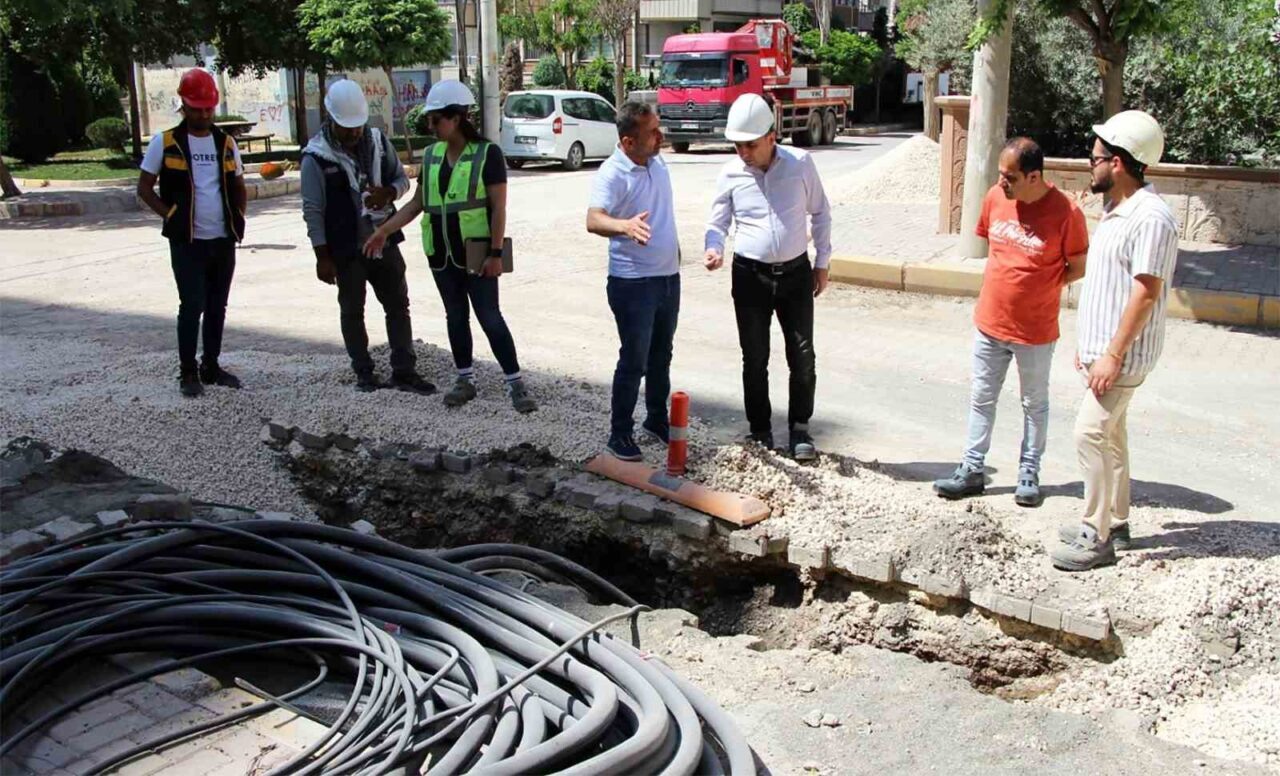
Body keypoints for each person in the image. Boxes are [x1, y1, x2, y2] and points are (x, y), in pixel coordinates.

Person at [1052, 110, 1178, 572]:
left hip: (1123, 358)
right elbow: (1109, 286)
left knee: (1088, 433)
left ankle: (1096, 535)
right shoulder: (1116, 209)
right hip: (1105, 354)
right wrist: (1090, 348)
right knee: (1112, 436)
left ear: (1118, 163)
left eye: (1096, 158)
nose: (1091, 164)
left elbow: (1145, 293)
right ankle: (1116, 521)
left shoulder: (1151, 218)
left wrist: (1110, 354)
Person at [933, 137, 1089, 505]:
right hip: (990, 323)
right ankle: (972, 469)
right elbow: (995, 248)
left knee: (1034, 403)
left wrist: (1042, 286)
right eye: (1000, 174)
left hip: (1035, 331)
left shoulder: (1066, 213)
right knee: (982, 397)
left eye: (1010, 177)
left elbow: (1078, 266)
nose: (1001, 182)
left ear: (1034, 177)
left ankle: (1029, 473)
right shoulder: (995, 198)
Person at [366, 80, 535, 413]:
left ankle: (515, 383)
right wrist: (384, 230)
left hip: (478, 252)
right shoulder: (431, 156)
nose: (431, 126)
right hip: (441, 254)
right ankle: (464, 379)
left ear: (456, 118)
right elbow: (418, 204)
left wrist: (496, 253)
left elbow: (499, 208)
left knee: (489, 316)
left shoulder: (487, 154)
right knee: (455, 316)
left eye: (436, 119)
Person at [703, 94, 832, 461]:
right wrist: (714, 247)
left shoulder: (800, 164)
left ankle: (800, 429)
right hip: (750, 276)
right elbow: (717, 222)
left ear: (771, 137)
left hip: (795, 275)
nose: (743, 152)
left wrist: (822, 263)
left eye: (751, 145)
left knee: (802, 356)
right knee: (755, 357)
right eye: (738, 145)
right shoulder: (730, 174)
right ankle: (760, 430)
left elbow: (821, 213)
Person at [300, 79, 434, 394]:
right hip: (346, 249)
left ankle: (404, 371)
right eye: (347, 128)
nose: (354, 134)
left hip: (384, 241)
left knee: (398, 305)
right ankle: (364, 372)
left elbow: (402, 180)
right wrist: (322, 256)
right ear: (331, 119)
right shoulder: (316, 157)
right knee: (352, 310)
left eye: (358, 127)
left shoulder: (378, 143)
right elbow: (313, 211)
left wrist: (389, 192)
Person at [136, 69, 246, 397]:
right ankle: (187, 371)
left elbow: (239, 184)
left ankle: (211, 365)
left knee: (217, 305)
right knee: (191, 304)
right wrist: (170, 215)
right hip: (187, 241)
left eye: (208, 108)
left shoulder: (226, 143)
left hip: (222, 239)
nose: (203, 114)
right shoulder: (165, 142)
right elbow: (144, 188)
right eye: (197, 109)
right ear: (184, 106)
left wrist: (239, 217)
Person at [586, 101, 680, 461]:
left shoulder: (656, 161)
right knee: (634, 360)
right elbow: (594, 219)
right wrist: (624, 226)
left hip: (667, 278)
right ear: (628, 141)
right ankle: (619, 434)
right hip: (633, 283)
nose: (660, 136)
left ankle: (656, 419)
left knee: (661, 355)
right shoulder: (612, 173)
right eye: (652, 132)